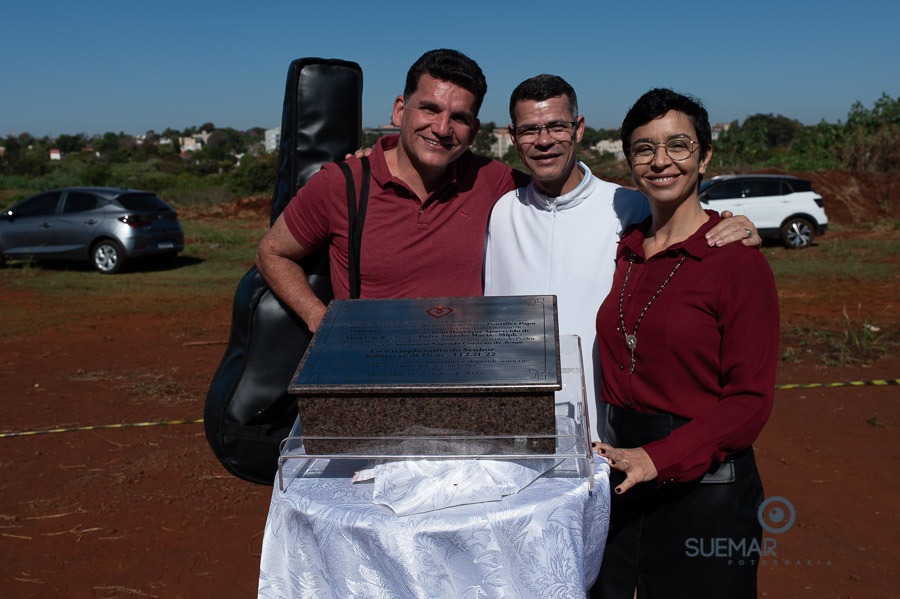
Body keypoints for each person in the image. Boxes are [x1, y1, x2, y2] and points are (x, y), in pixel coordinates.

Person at [484, 75, 760, 442]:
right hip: (516, 431)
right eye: (530, 129)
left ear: (579, 128)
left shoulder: (628, 206)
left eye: (556, 126)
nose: (545, 140)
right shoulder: (503, 212)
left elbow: (683, 221)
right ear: (513, 135)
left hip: (607, 437)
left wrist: (734, 226)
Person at [592, 88, 779, 598]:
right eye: (644, 149)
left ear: (705, 156)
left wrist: (659, 457)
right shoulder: (626, 251)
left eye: (678, 145)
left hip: (706, 483)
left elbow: (749, 401)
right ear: (629, 160)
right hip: (622, 478)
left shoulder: (736, 260)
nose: (661, 161)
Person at [256, 48, 528, 331]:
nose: (442, 128)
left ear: (473, 131)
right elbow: (272, 252)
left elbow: (563, 195)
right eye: (429, 109)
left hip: (465, 365)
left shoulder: (493, 180)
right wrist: (319, 320)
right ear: (400, 110)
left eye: (459, 118)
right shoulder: (342, 184)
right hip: (370, 367)